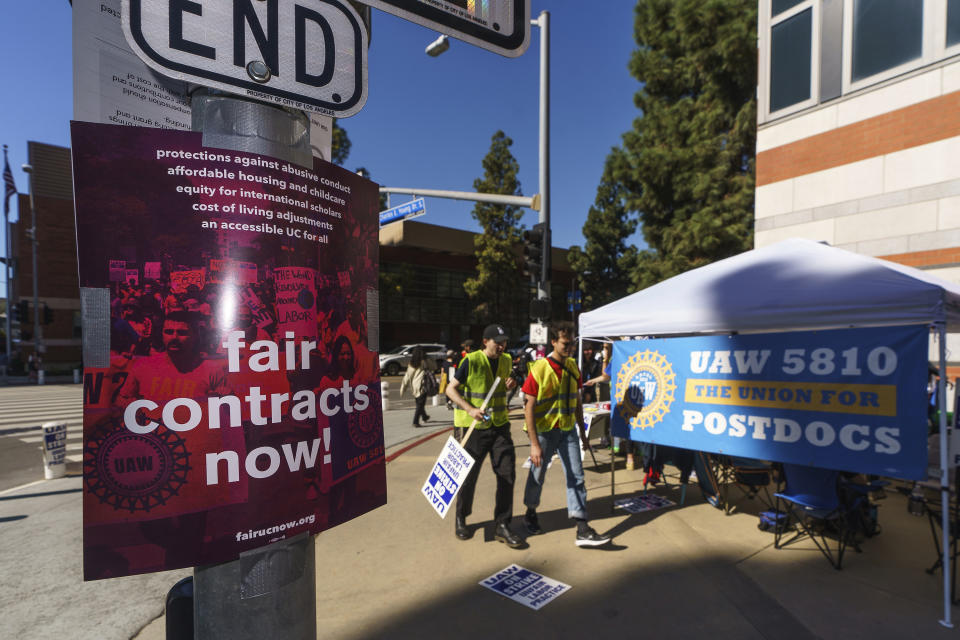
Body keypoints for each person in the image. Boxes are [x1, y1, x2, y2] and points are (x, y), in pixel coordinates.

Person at [522, 321, 611, 547]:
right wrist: (534, 444)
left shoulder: (573, 366)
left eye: (571, 343)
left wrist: (582, 433)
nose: (569, 347)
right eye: (565, 343)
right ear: (553, 341)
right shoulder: (540, 369)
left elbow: (577, 401)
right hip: (544, 432)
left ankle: (582, 527)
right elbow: (528, 407)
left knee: (576, 477)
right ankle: (530, 511)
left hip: (568, 429)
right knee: (537, 474)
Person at [445, 324, 521, 548]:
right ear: (485, 341)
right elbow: (450, 389)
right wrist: (469, 409)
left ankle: (503, 524)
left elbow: (504, 385)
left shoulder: (506, 360)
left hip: (499, 427)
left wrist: (512, 384)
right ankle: (461, 517)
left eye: (504, 342)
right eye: (497, 342)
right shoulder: (471, 360)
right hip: (472, 428)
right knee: (468, 478)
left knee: (507, 474)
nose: (502, 346)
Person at [584, 342, 635, 469]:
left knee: (627, 426)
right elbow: (606, 375)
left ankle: (630, 456)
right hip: (616, 397)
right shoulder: (612, 359)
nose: (604, 350)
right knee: (619, 425)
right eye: (603, 348)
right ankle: (621, 449)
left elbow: (606, 375)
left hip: (627, 397)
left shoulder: (623, 357)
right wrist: (593, 380)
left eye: (606, 347)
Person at [400, 346, 436, 427]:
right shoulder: (425, 361)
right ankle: (415, 422)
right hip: (422, 386)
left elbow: (407, 376)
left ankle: (425, 416)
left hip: (414, 387)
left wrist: (403, 387)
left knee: (419, 403)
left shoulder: (412, 363)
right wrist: (429, 358)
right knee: (420, 405)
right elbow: (434, 367)